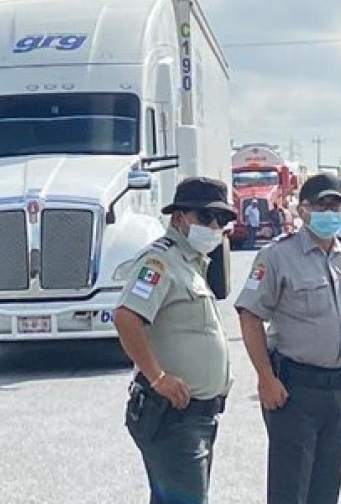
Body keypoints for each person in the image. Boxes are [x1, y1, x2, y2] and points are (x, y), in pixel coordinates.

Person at [235, 173, 341, 504]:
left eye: (335, 204)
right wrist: (265, 378)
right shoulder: (277, 257)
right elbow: (250, 315)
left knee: (326, 493)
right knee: (290, 493)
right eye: (321, 204)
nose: (329, 211)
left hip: (340, 394)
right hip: (296, 392)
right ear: (302, 210)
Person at [114, 177, 236, 504]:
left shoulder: (192, 262)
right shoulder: (160, 261)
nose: (214, 226)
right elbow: (127, 317)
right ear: (178, 217)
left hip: (199, 415)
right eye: (205, 218)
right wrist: (158, 377)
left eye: (221, 220)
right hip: (173, 417)